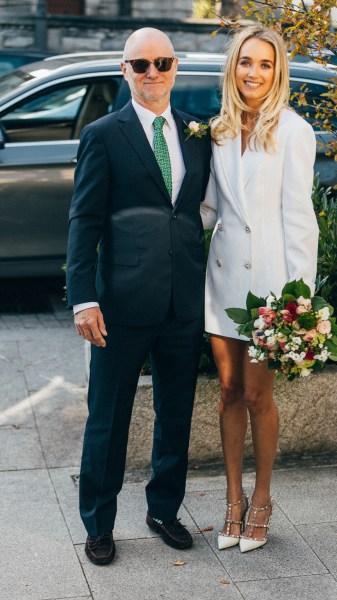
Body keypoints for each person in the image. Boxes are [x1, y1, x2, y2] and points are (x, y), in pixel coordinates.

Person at [66, 27, 211, 565]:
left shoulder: (197, 134)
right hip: (120, 305)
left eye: (163, 62)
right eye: (141, 64)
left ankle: (163, 510)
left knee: (176, 413)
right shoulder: (104, 135)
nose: (153, 72)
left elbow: (199, 211)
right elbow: (83, 221)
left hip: (182, 303)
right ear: (124, 70)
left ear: (176, 68)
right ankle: (98, 523)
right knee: (108, 417)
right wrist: (83, 298)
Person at [201, 24, 319, 553]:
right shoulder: (219, 129)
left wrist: (302, 301)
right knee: (227, 390)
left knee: (256, 393)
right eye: (246, 62)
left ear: (278, 72)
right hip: (223, 278)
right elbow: (207, 208)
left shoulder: (294, 131)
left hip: (271, 287)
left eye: (265, 64)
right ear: (234, 67)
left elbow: (300, 220)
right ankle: (233, 498)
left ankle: (264, 498)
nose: (254, 73)